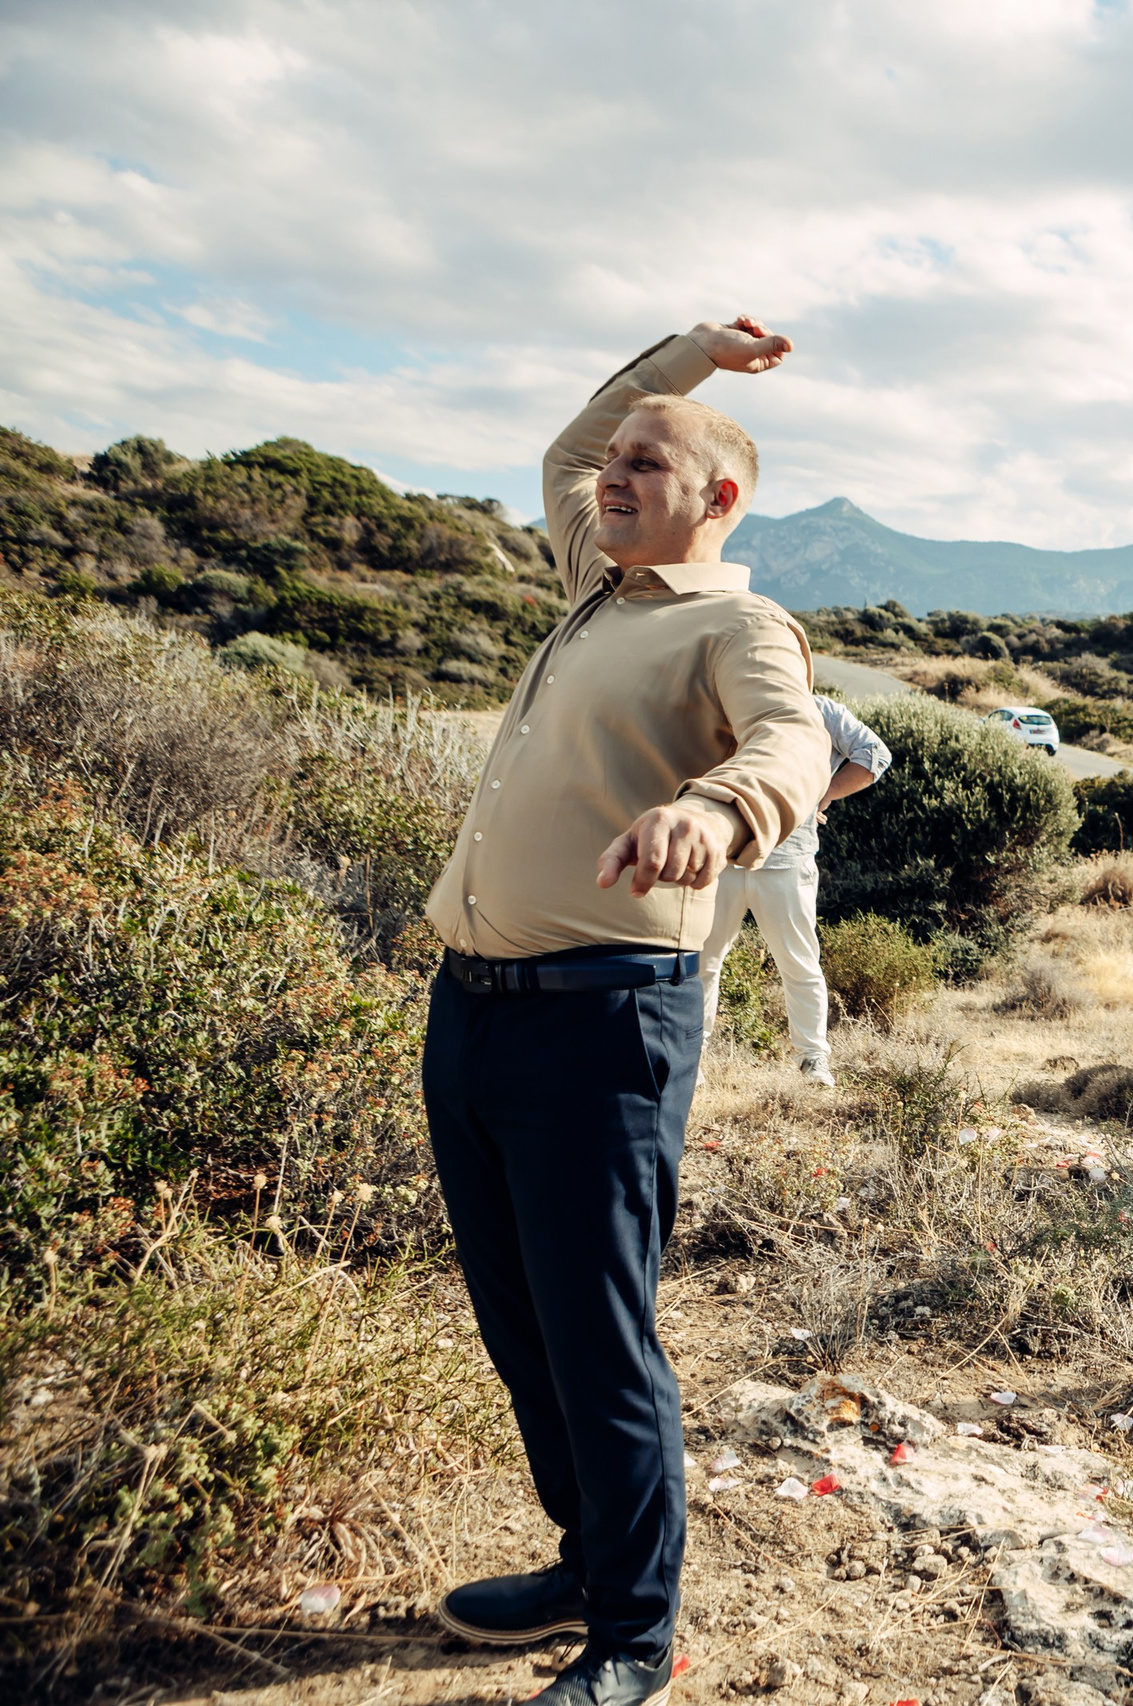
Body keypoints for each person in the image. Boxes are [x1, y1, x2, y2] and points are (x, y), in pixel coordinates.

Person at [424, 317, 828, 1706]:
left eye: (647, 462)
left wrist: (715, 809)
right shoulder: (594, 584)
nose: (613, 472)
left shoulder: (737, 623)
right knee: (520, 1316)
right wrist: (686, 357)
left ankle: (634, 1634)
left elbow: (795, 741)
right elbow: (567, 437)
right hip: (472, 1008)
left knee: (598, 1330)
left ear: (715, 498)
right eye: (618, 457)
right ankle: (588, 1556)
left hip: (604, 1021)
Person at [697, 692, 892, 1086]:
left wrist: (824, 794)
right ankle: (691, 1059)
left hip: (788, 860)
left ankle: (812, 1060)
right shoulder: (724, 700)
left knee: (799, 964)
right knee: (702, 962)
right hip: (722, 855)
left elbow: (875, 755)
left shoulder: (822, 709)